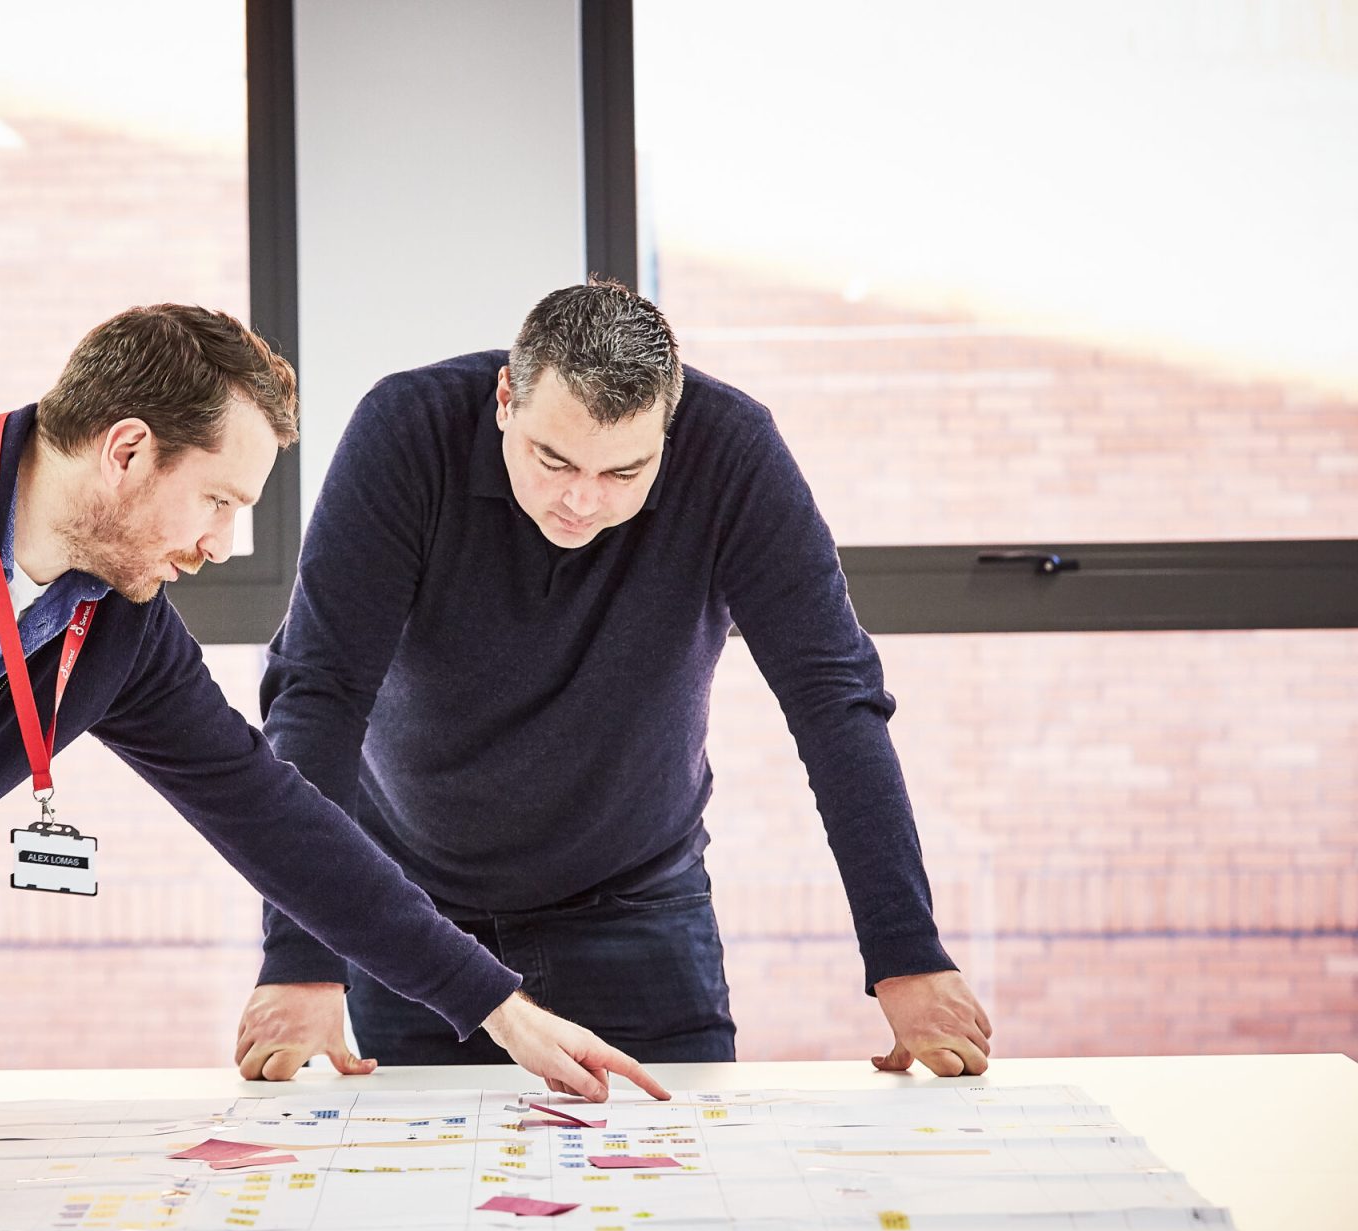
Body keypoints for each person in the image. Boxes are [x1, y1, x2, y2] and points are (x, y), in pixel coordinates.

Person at [0, 302, 670, 1156]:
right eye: (218, 502)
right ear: (127, 451)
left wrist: (503, 1011)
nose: (224, 545)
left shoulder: (115, 627)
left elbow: (275, 819)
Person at [235, 280, 994, 1082]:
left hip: (640, 906)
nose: (580, 502)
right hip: (419, 918)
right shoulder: (406, 432)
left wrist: (906, 953)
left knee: (680, 1184)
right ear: (504, 399)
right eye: (552, 459)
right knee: (433, 1197)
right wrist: (302, 953)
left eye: (623, 472)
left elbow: (834, 700)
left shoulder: (733, 455)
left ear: (668, 432)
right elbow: (319, 694)